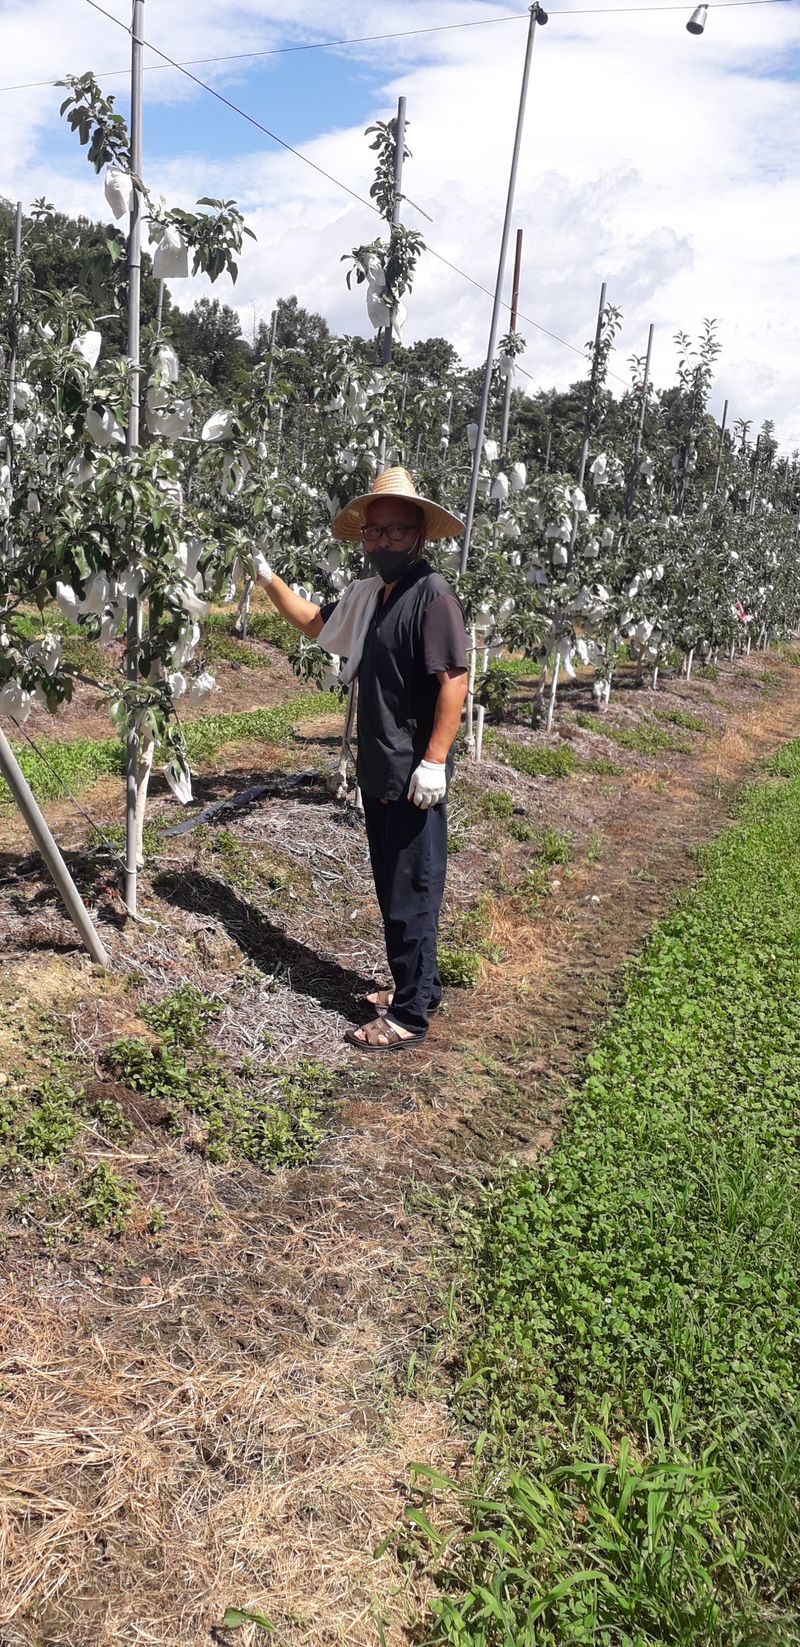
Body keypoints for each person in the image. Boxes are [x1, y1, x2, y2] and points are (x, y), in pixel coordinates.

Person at [254, 466, 468, 1052]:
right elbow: (316, 623)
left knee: (411, 887)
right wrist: (269, 580)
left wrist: (435, 760)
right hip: (383, 765)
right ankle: (416, 988)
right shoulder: (372, 596)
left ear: (419, 536)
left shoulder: (432, 595)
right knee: (399, 884)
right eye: (373, 534)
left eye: (394, 533)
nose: (381, 543)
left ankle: (408, 1017)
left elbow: (454, 679)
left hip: (410, 770)